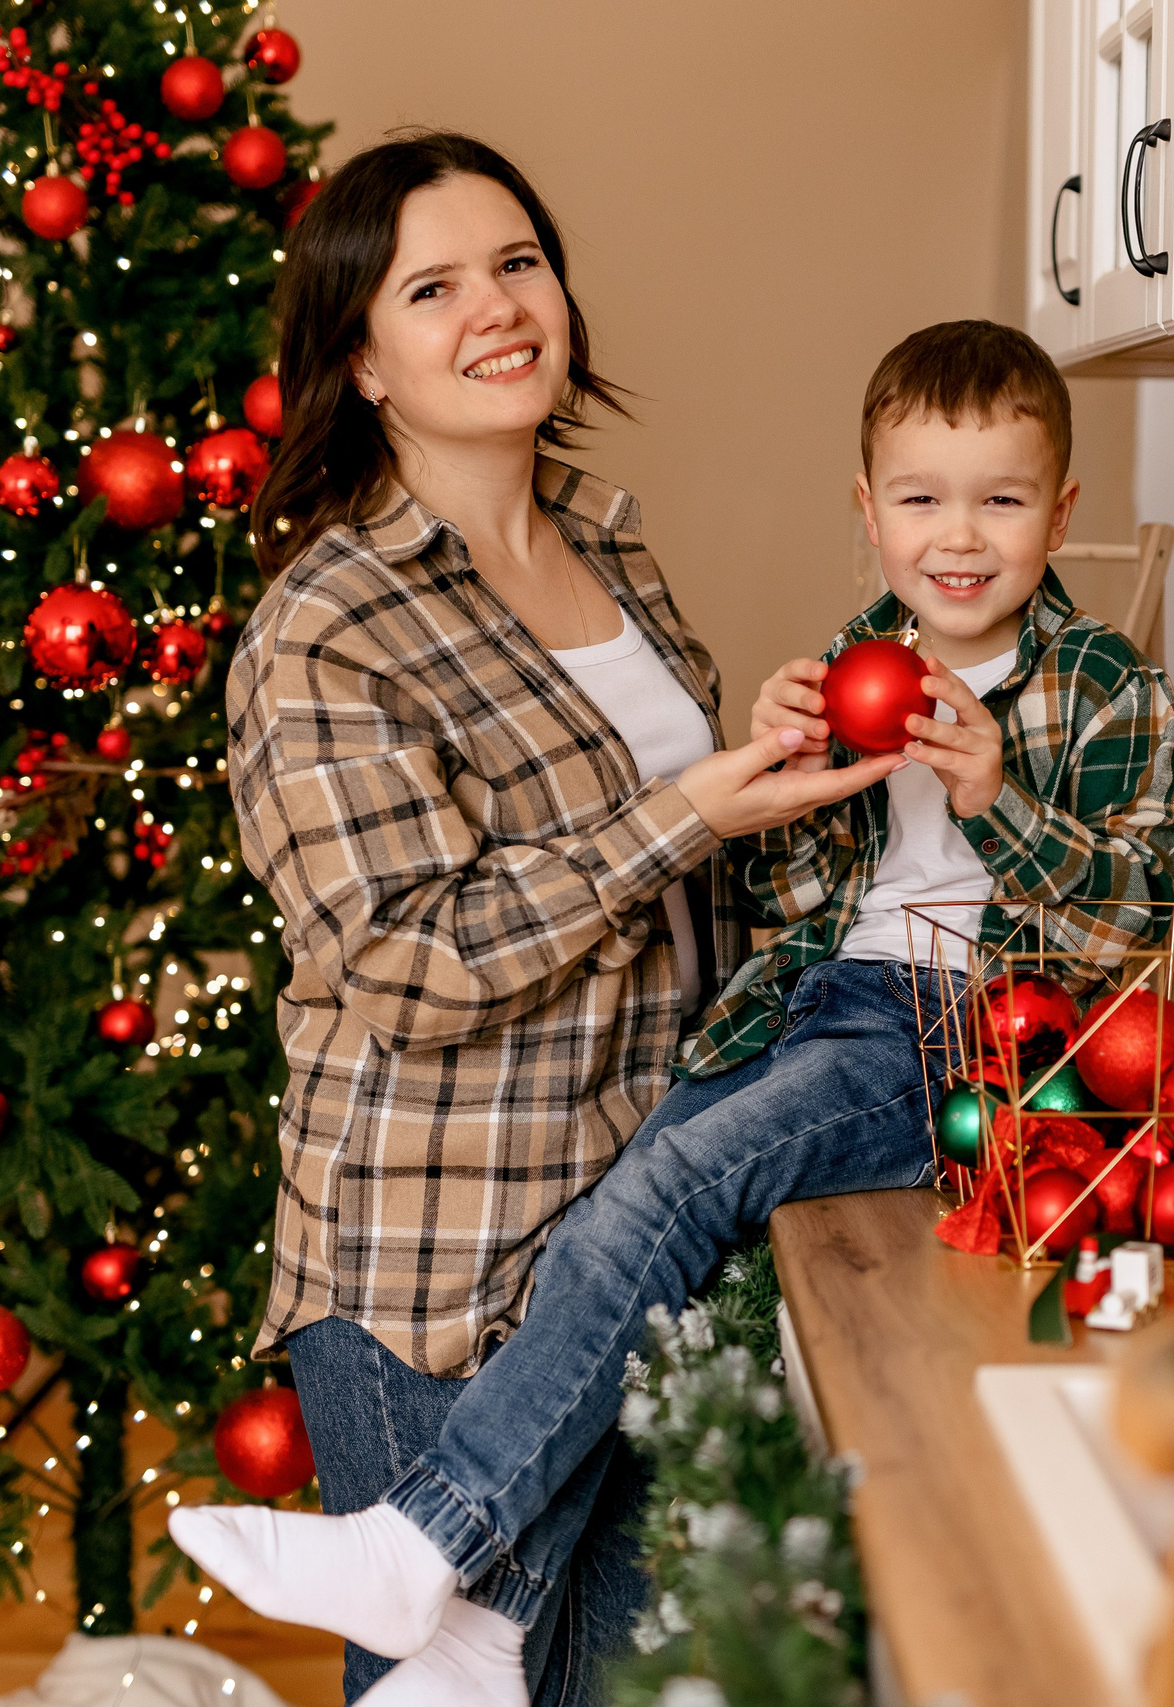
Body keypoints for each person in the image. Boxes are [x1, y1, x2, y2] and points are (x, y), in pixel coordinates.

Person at [182, 319, 1174, 1704]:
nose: (960, 538)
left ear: (1060, 510)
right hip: (808, 1009)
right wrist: (779, 766)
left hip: (962, 1037)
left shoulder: (1108, 686)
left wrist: (992, 798)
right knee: (630, 1220)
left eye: (1002, 501)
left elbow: (1129, 924)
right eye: (920, 498)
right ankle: (480, 1620)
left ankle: (428, 1539)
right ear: (869, 509)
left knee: (669, 1191)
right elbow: (783, 894)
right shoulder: (858, 657)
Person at [206, 132, 903, 1705]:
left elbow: (685, 885)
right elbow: (402, 961)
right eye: (434, 286)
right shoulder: (325, 623)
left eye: (518, 263)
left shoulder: (610, 547)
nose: (499, 307)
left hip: (635, 1240)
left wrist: (797, 775)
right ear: (362, 361)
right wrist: (686, 814)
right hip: (441, 1267)